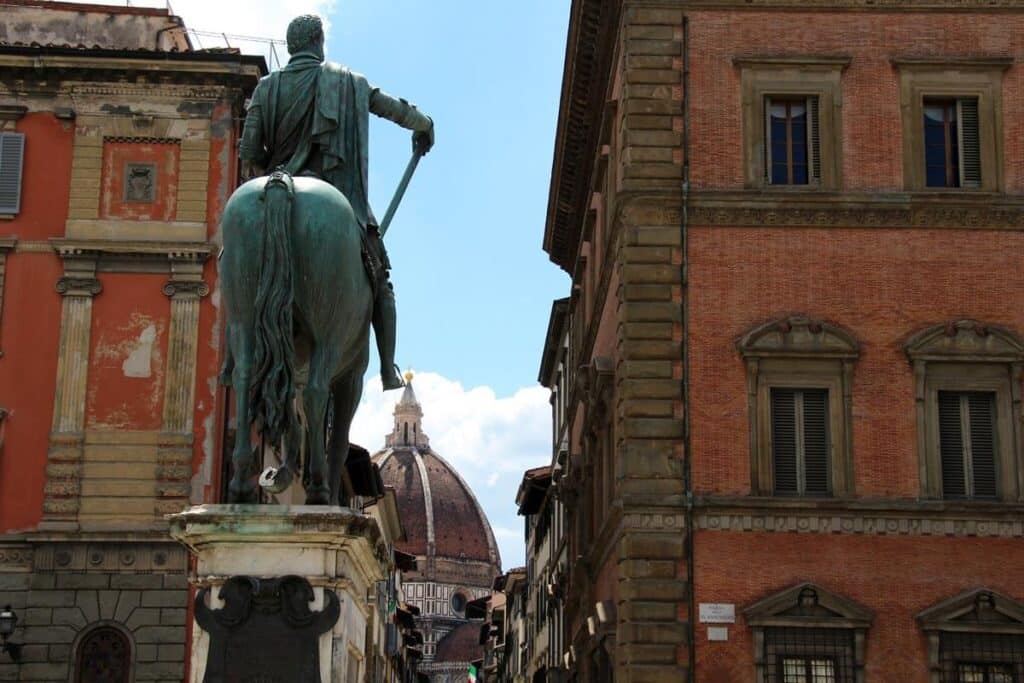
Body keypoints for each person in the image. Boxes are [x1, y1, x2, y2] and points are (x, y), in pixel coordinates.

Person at [238, 14, 433, 390]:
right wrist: (424, 123)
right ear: (318, 42)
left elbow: (248, 151)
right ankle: (387, 368)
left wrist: (275, 172)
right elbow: (392, 108)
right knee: (382, 281)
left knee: (233, 265)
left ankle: (235, 361)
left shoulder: (265, 88)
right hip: (340, 196)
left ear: (293, 45)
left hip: (272, 193)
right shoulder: (349, 83)